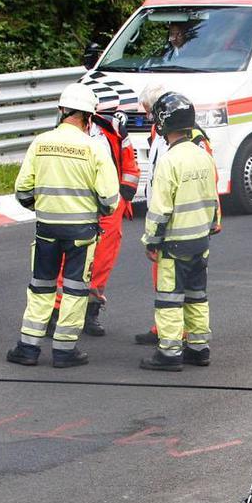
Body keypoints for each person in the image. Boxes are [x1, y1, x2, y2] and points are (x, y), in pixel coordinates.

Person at [6, 84, 119, 368]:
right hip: (81, 232)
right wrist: (94, 211)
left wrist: (43, 207)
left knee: (41, 286)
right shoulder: (94, 148)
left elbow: (22, 191)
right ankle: (64, 350)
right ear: (89, 118)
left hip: (46, 229)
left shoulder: (40, 143)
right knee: (74, 290)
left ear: (61, 111)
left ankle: (28, 348)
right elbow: (109, 199)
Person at [140, 92, 221, 372]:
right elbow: (213, 201)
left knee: (169, 301)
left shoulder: (170, 161)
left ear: (163, 123)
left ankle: (170, 352)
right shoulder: (203, 156)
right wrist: (209, 228)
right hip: (200, 241)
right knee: (197, 296)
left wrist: (151, 240)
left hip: (174, 244)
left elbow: (160, 209)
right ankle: (199, 348)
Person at [78, 105, 140, 336]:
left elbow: (130, 165)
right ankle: (57, 311)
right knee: (67, 259)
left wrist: (124, 197)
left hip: (110, 204)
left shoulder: (113, 129)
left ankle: (91, 310)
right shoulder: (62, 134)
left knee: (102, 259)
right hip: (78, 204)